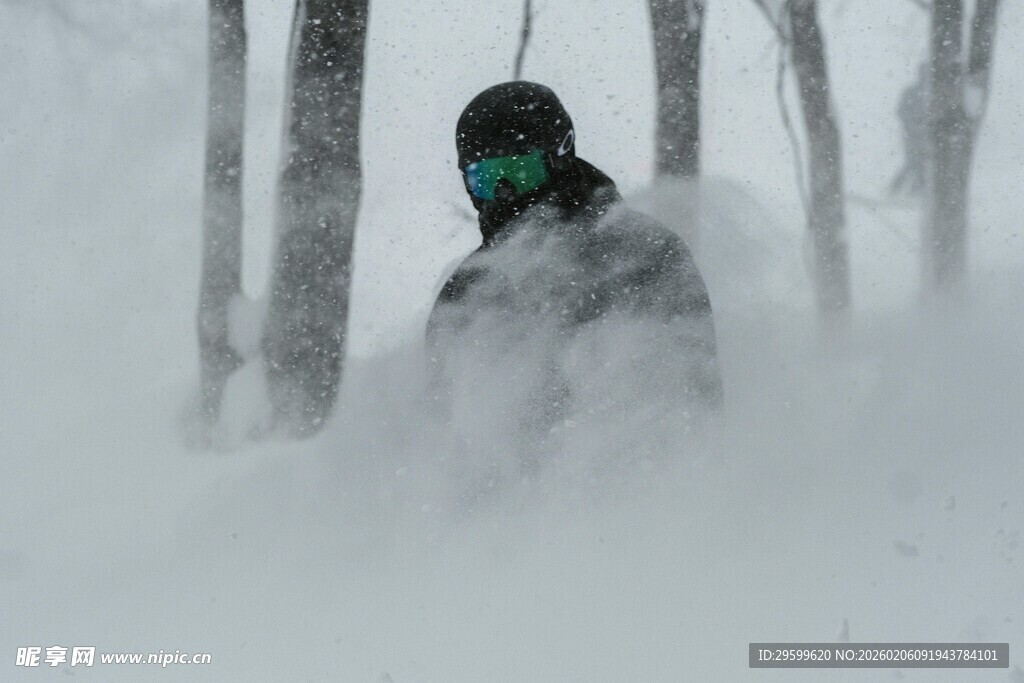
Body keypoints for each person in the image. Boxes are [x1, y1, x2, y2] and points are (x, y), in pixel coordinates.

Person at [426, 81, 722, 452]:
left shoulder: (642, 255)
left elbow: (695, 399)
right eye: (484, 179)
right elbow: (443, 428)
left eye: (519, 171)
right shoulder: (468, 290)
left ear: (560, 157)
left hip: (638, 486)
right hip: (508, 499)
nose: (504, 193)